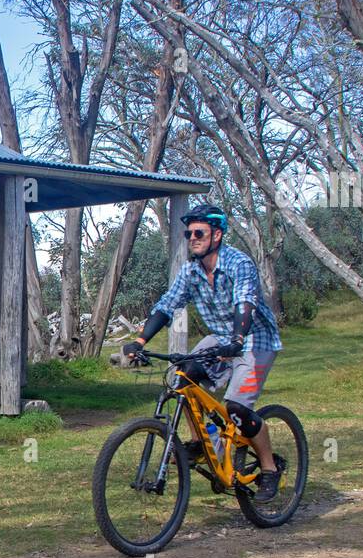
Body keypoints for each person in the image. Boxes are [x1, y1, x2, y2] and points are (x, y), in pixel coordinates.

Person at [122, 204, 284, 501]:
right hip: (219, 338)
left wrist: (237, 340)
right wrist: (141, 342)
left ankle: (270, 468)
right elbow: (166, 305)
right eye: (189, 233)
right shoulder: (191, 271)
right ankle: (202, 443)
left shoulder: (239, 263)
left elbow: (244, 304)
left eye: (199, 233)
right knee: (183, 378)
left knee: (237, 407)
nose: (192, 238)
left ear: (217, 235)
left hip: (254, 340)